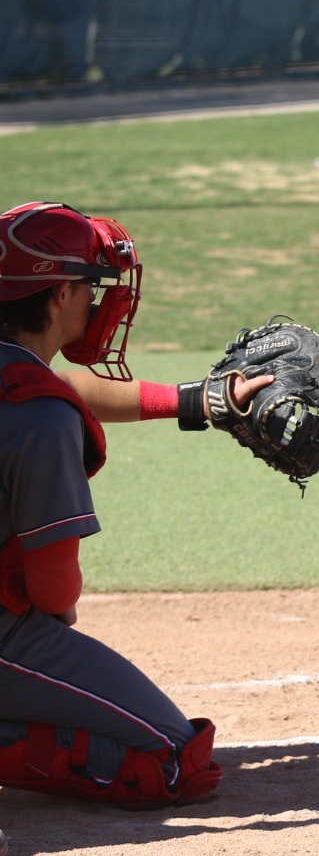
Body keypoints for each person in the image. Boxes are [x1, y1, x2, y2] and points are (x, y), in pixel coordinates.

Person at [0, 202, 268, 810]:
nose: (101, 302)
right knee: (172, 761)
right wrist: (57, 620)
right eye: (92, 286)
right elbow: (52, 585)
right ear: (61, 292)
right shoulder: (39, 418)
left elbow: (64, 385)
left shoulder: (24, 381)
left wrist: (200, 402)